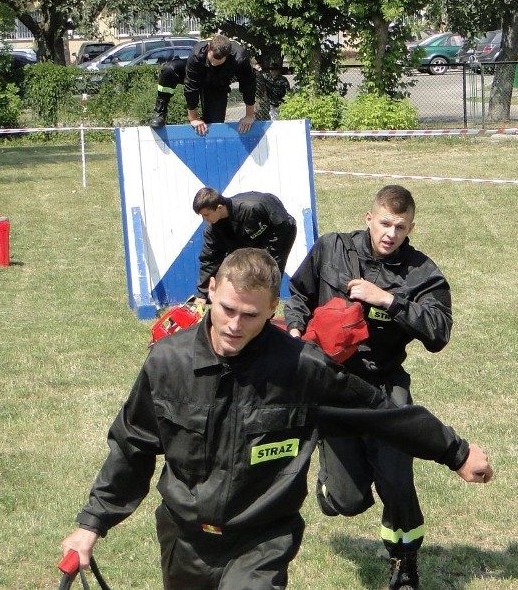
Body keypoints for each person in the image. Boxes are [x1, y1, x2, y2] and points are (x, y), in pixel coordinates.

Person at [61, 248, 493, 590]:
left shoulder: (301, 367)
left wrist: (455, 452)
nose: (233, 324)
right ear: (211, 289)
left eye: (250, 315)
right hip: (184, 537)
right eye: (227, 308)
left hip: (262, 539)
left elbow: (382, 413)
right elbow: (132, 448)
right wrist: (90, 526)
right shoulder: (167, 363)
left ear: (272, 309)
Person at [283, 185, 452, 590]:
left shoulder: (421, 272)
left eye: (400, 226)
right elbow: (298, 295)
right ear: (368, 218)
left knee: (396, 478)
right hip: (333, 383)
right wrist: (293, 330)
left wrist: (389, 301)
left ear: (411, 227)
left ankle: (404, 562)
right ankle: (334, 486)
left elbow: (439, 332)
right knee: (348, 500)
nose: (391, 233)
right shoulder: (331, 249)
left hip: (384, 384)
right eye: (384, 223)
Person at [192, 187, 297, 306]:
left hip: (280, 232)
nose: (204, 219)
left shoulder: (253, 206)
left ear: (219, 207)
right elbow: (209, 259)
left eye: (206, 215)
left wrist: (268, 255)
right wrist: (202, 294)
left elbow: (281, 220)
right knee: (241, 271)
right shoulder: (212, 230)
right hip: (246, 240)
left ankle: (266, 308)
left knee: (267, 272)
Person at [149, 33, 257, 135]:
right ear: (209, 48)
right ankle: (160, 112)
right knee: (170, 70)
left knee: (214, 126)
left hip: (217, 84)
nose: (214, 63)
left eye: (219, 62)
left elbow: (249, 85)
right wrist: (193, 118)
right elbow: (191, 87)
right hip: (198, 76)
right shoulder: (197, 53)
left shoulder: (240, 58)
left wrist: (249, 116)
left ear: (227, 56)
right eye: (212, 59)